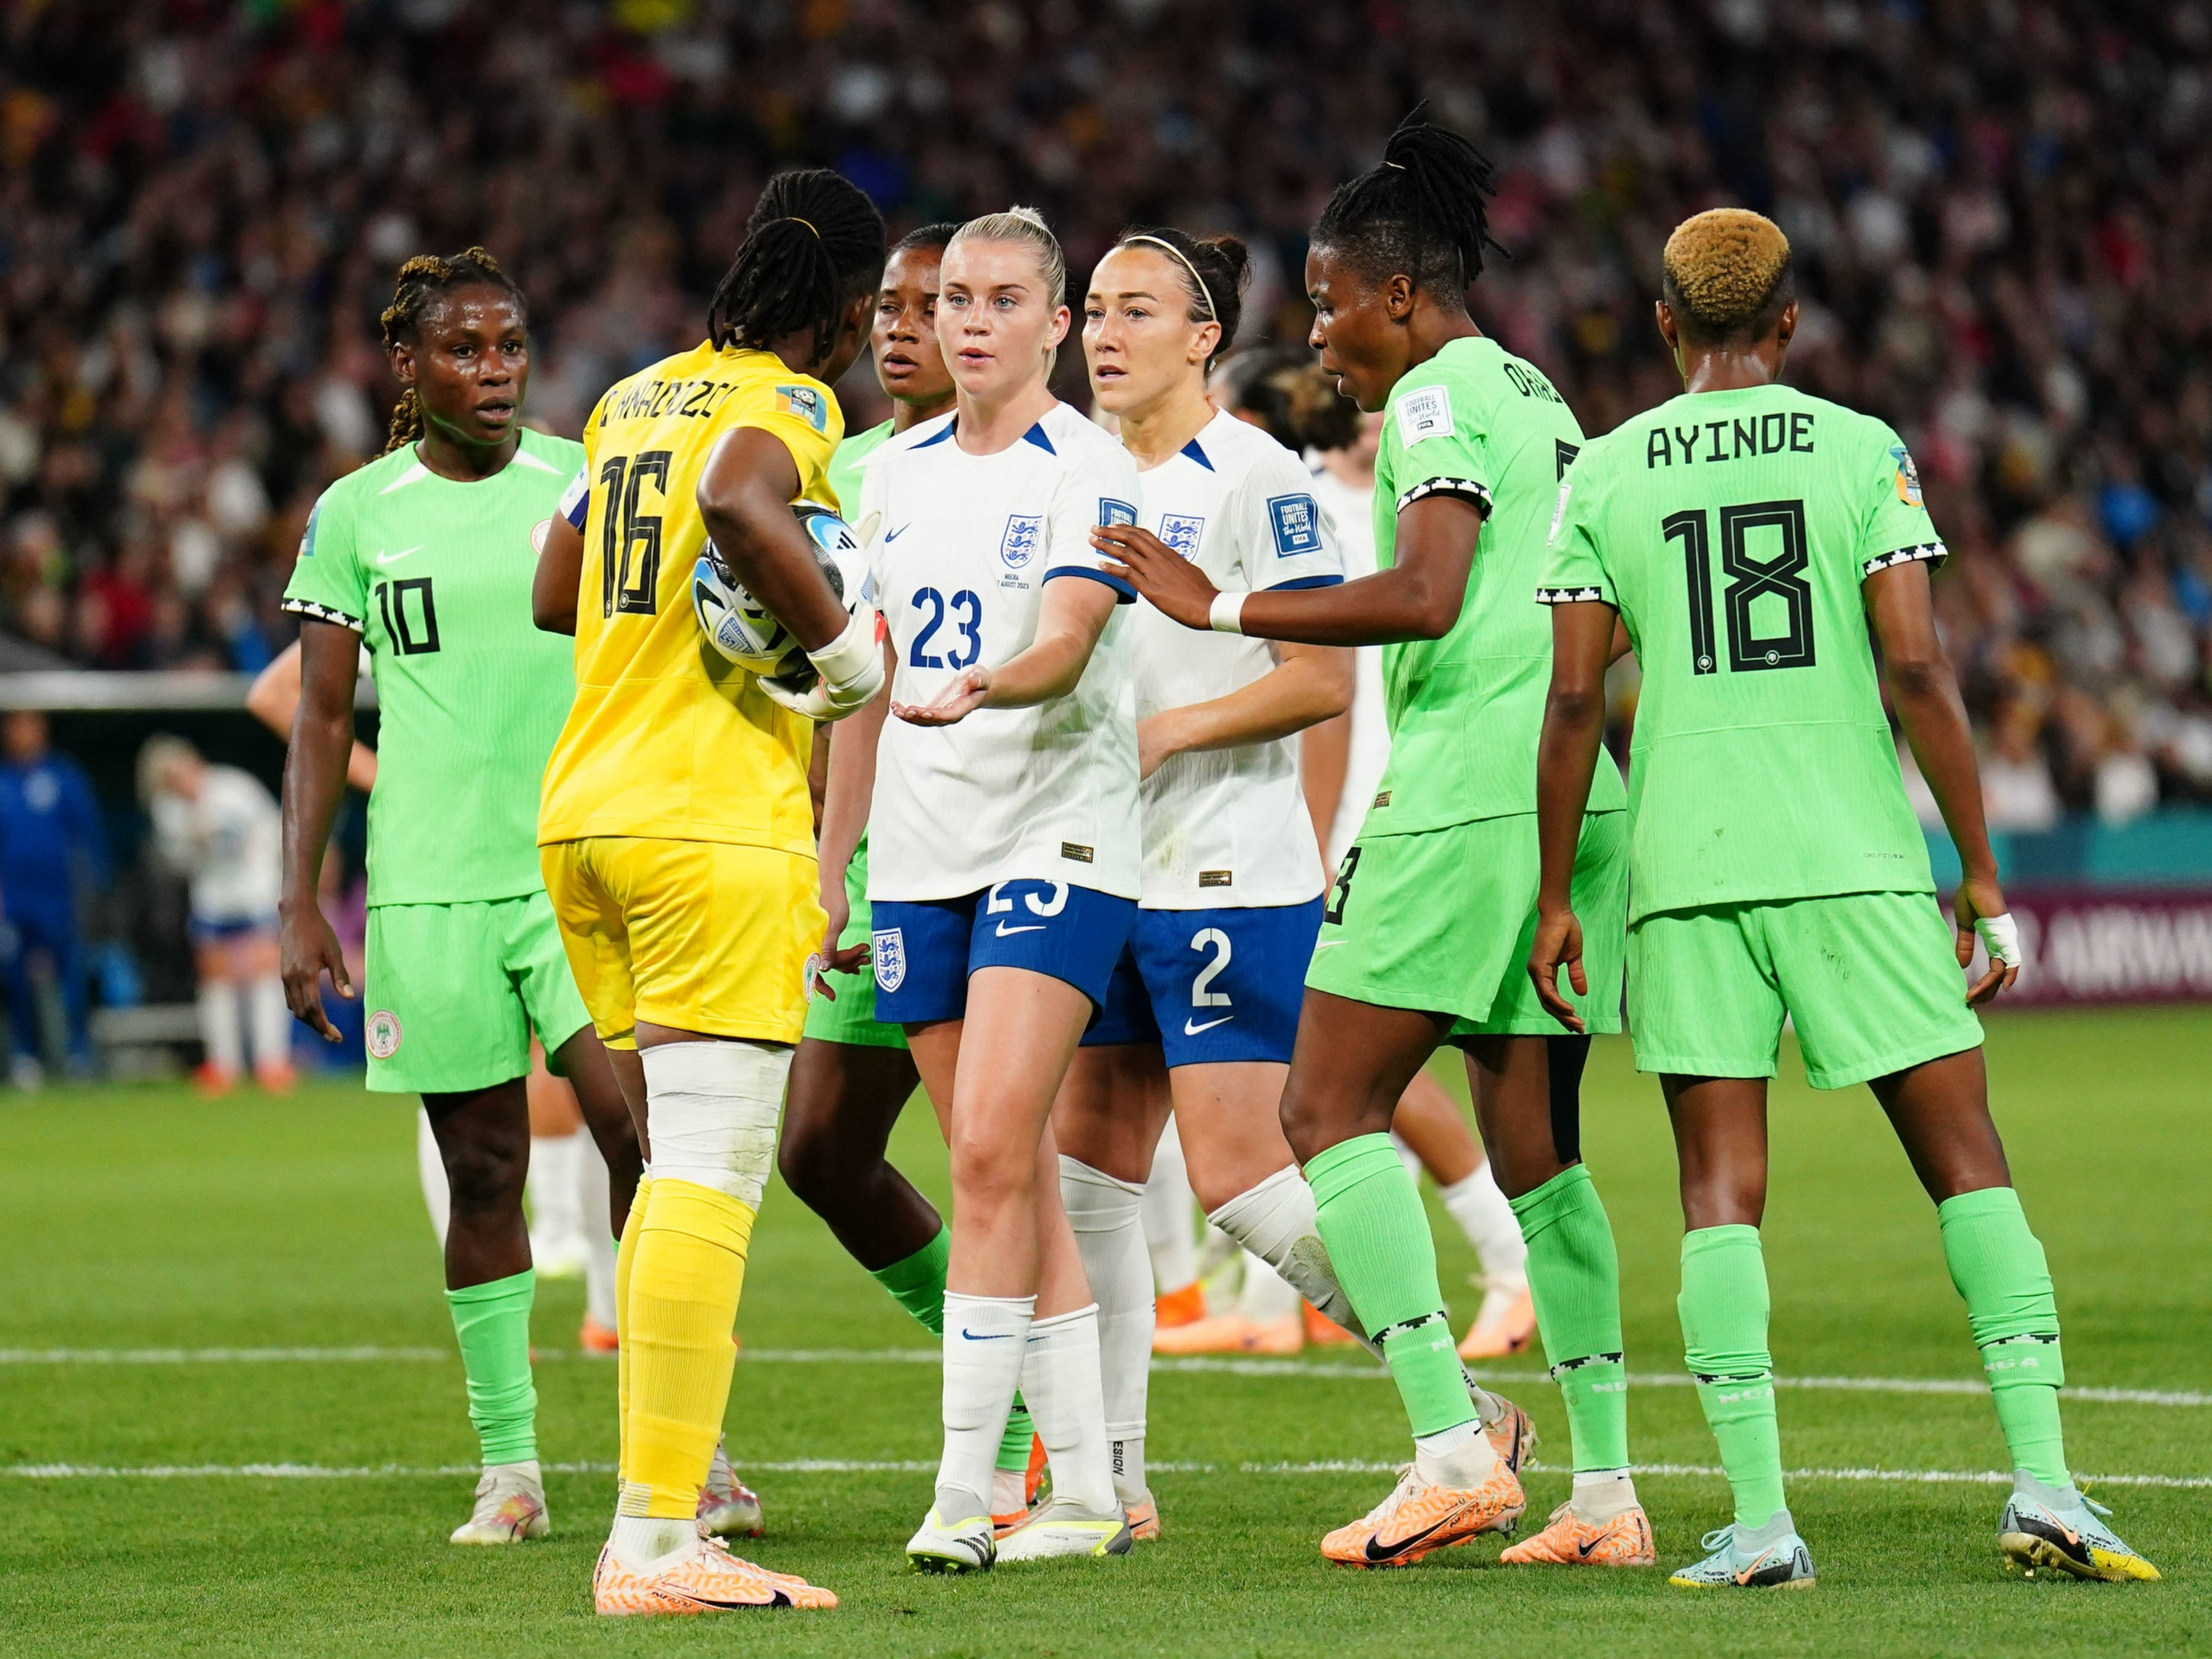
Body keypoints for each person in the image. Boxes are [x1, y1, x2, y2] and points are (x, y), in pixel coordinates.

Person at [1531, 207, 2162, 1590]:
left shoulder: (1607, 470)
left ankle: (1760, 1523)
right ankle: (2047, 1484)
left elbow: (1574, 693)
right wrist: (1978, 869)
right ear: (1790, 322)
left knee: (1715, 1193)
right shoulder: (1857, 447)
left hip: (1686, 867)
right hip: (1857, 852)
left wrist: (1549, 893)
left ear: (1659, 324)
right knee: (1964, 1156)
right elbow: (1918, 670)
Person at [1103, 109, 1647, 1570]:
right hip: (1566, 789)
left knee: (1324, 1106)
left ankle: (1449, 1448)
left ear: (1397, 291)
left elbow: (1419, 593)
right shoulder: (1539, 395)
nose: (1322, 334)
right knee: (1542, 1160)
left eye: (1333, 300)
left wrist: (1212, 606)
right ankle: (1602, 1494)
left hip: (1468, 786)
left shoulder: (1428, 403)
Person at [532, 169, 887, 1616]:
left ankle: (664, 1514)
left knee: (674, 1162)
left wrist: (689, 597)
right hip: (703, 821)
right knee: (707, 1170)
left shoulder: (625, 400)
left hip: (586, 812)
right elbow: (746, 498)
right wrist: (841, 645)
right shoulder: (794, 410)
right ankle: (658, 1536)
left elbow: (557, 586)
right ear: (852, 305)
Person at [277, 248, 646, 1551]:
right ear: (408, 366)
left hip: (579, 868)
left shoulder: (585, 480)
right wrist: (299, 899)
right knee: (482, 1168)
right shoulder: (356, 512)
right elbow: (319, 713)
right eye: (465, 350)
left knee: (640, 1140)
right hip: (430, 879)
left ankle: (683, 1450)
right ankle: (512, 1465)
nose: (494, 371)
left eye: (509, 346)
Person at [836, 207, 1139, 1570]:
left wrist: (981, 683)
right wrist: (830, 863)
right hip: (912, 850)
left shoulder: (1091, 466)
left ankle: (962, 1490)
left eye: (1003, 299)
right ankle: (1085, 1491)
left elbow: (1068, 639)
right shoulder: (884, 475)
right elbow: (855, 685)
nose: (968, 320)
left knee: (978, 1148)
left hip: (1052, 832)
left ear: (1055, 323)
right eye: (954, 295)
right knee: (998, 1167)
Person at [1048, 222, 1355, 1536]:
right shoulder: (1057, 469)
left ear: (1202, 336)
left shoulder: (1257, 478)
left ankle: (1444, 1380)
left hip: (1226, 858)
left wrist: (1166, 731)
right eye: (1093, 311)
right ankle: (1112, 1473)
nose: (1102, 335)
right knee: (1091, 1174)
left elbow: (1318, 675)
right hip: (1096, 864)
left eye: (1135, 312)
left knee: (1235, 1174)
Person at [774, 221, 1047, 1534]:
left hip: (1010, 844)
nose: (901, 324)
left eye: (931, 302)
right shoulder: (840, 469)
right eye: (885, 303)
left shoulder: (1037, 463)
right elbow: (840, 693)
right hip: (879, 853)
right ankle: (1026, 1415)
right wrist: (824, 854)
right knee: (822, 1147)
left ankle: (1050, 1433)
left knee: (1040, 1157)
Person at [248, 648, 623, 1352]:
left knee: (603, 1088)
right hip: (453, 859)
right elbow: (278, 694)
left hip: (560, 842)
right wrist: (393, 779)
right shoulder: (401, 551)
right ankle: (537, 1311)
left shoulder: (553, 549)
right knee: (468, 1082)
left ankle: (609, 1307)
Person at [140, 736, 289, 1093]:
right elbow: (179, 862)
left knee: (264, 973)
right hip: (213, 900)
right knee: (217, 979)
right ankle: (225, 1065)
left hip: (255, 894)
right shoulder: (169, 810)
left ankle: (272, 1062)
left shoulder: (234, 787)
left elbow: (273, 827)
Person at [0, 710, 108, 1084]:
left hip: (60, 898)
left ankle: (77, 1052)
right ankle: (25, 1056)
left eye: (29, 726)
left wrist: (94, 888)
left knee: (71, 975)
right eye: (16, 727)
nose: (23, 734)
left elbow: (88, 836)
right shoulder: (3, 782)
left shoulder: (63, 777)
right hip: (15, 900)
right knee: (16, 979)